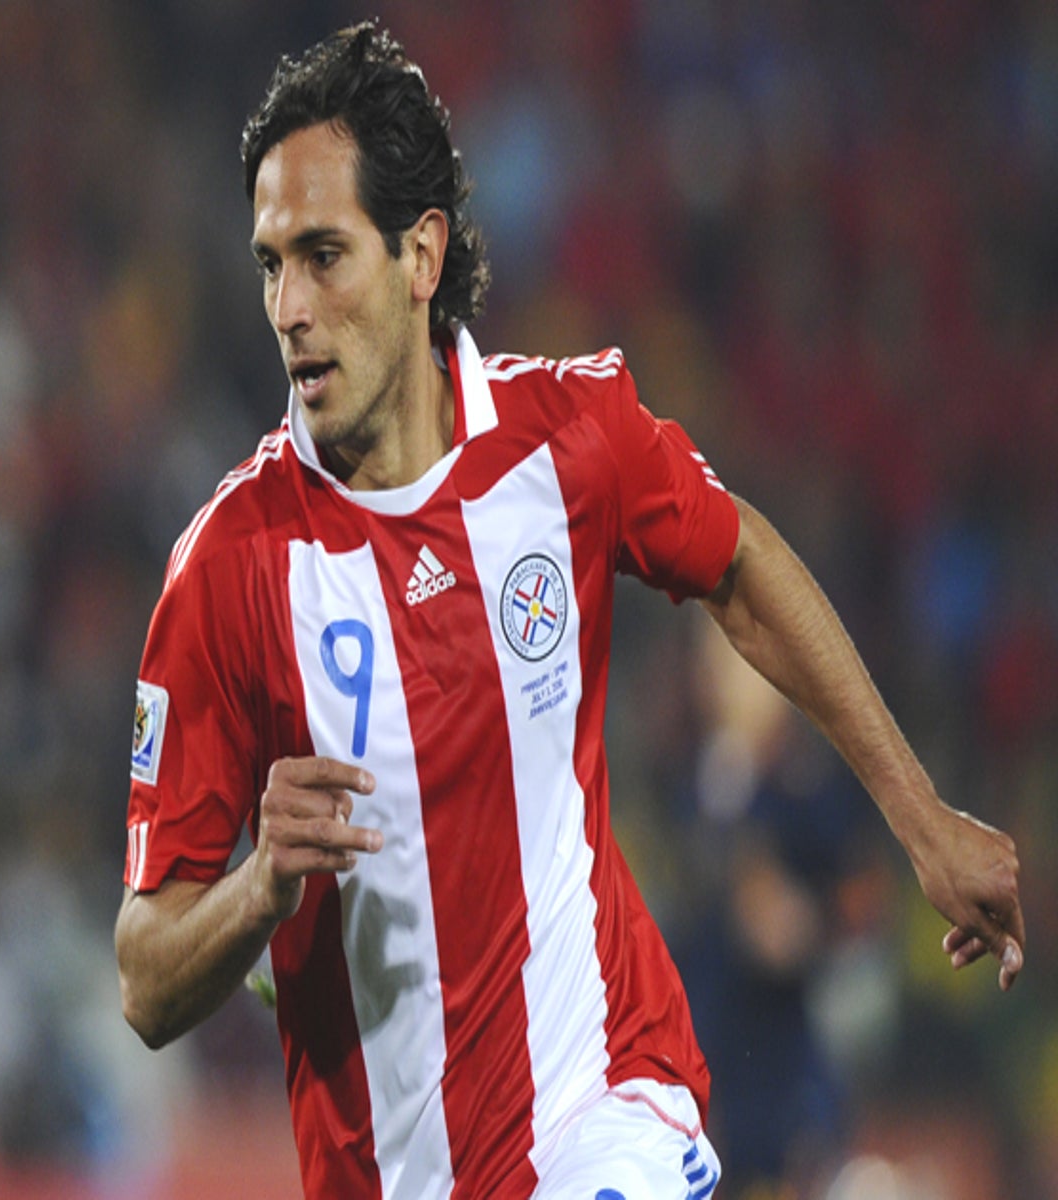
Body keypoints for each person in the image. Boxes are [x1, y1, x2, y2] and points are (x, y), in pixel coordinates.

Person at [114, 21, 1024, 1200]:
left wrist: (922, 817)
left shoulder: (566, 440)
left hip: (608, 1109)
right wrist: (258, 888)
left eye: (324, 254)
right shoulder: (228, 569)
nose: (288, 303)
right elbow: (143, 979)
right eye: (270, 262)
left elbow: (739, 561)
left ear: (420, 254)